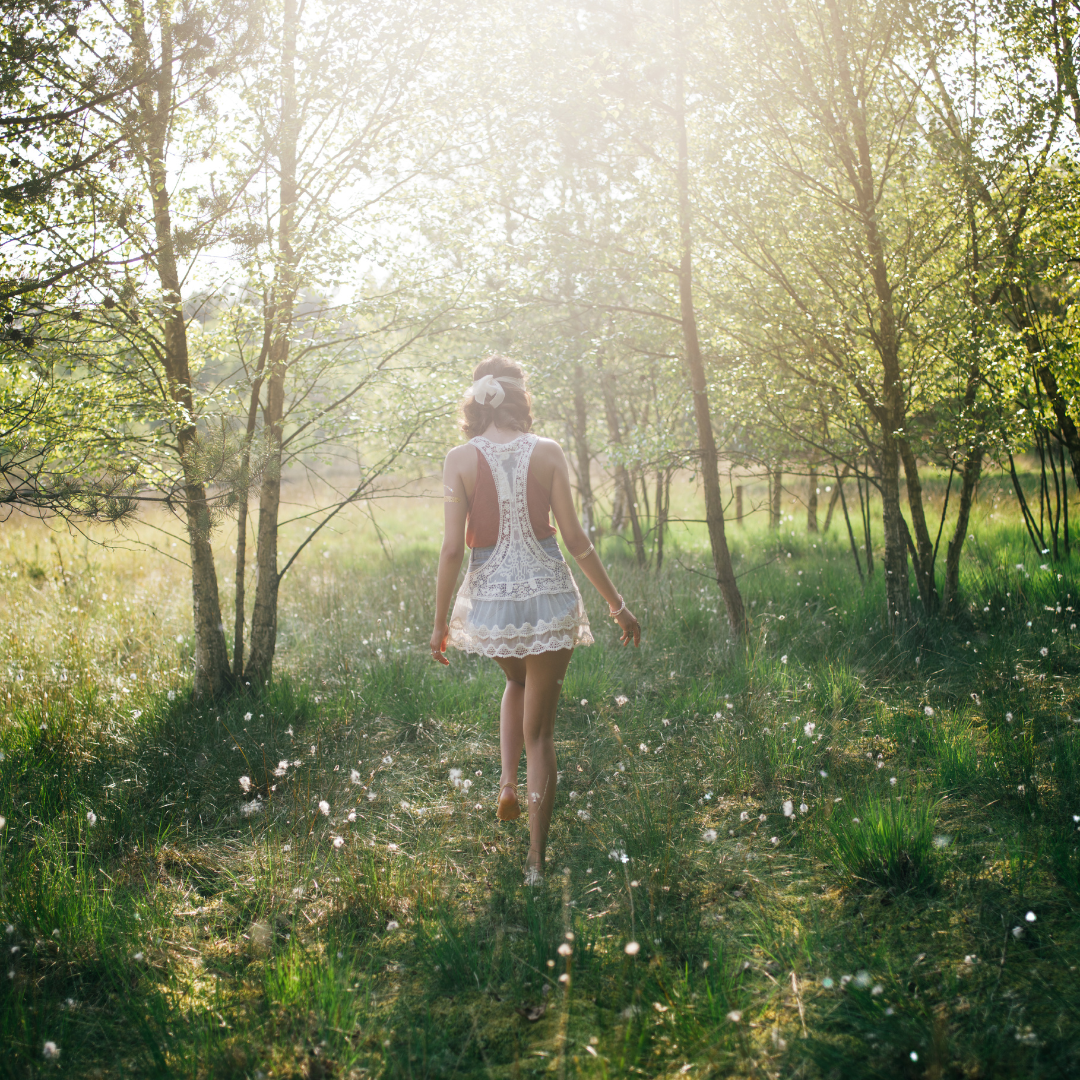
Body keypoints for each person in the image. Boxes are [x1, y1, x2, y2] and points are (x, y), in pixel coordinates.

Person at [430, 355, 641, 884]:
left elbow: (452, 549)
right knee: (541, 734)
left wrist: (440, 624)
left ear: (477, 401)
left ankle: (506, 783)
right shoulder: (546, 452)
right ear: (520, 398)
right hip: (549, 597)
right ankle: (535, 862)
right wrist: (617, 604)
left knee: (515, 680)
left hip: (493, 602)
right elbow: (576, 541)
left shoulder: (458, 459)